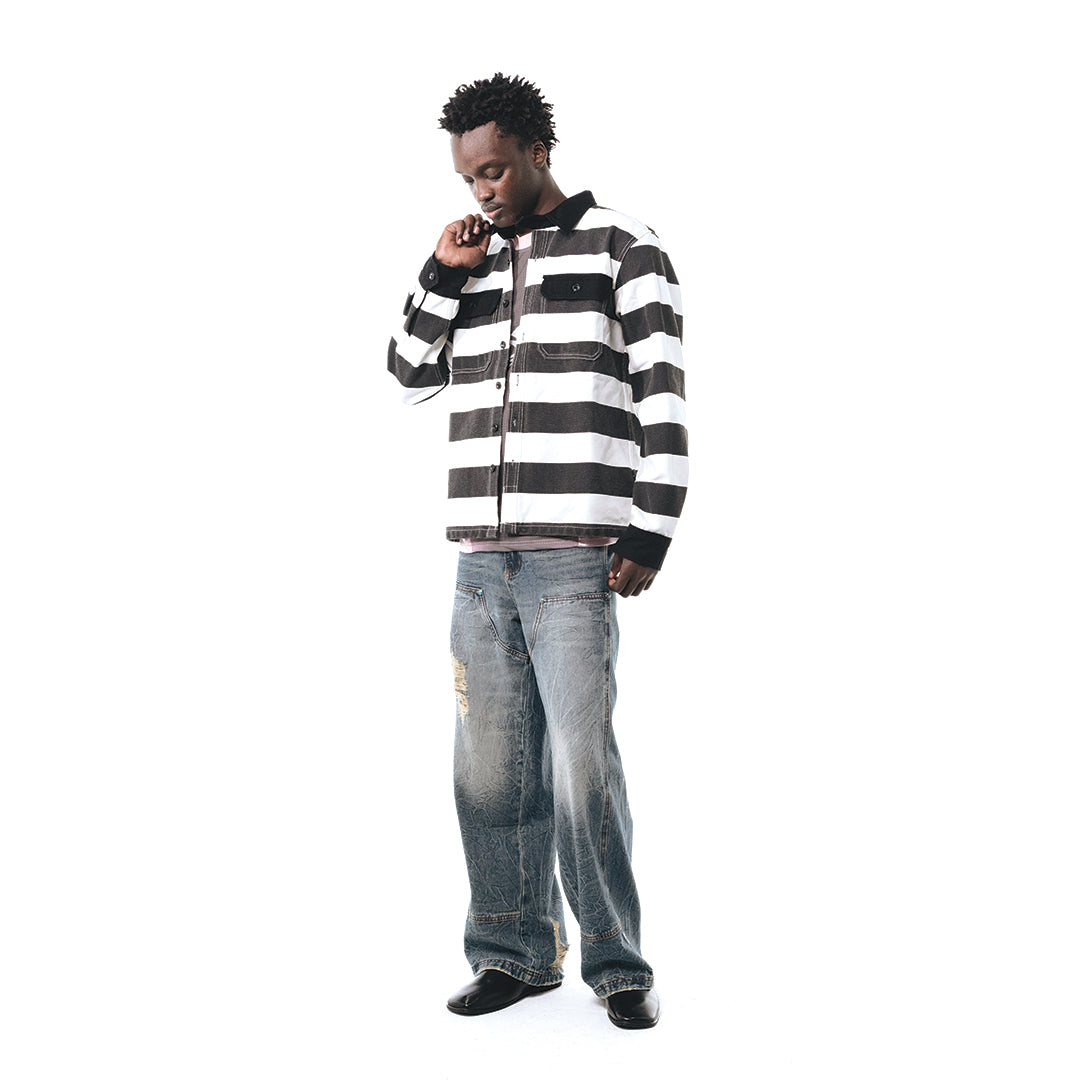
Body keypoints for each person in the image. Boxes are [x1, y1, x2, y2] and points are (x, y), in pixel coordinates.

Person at [387, 73, 687, 1030]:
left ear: (537, 151)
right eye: (467, 177)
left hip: (574, 561)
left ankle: (617, 964)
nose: (482, 191)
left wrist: (651, 526)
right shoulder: (468, 261)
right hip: (479, 564)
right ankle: (514, 953)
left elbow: (663, 397)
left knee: (581, 766)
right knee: (489, 770)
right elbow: (406, 373)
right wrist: (444, 270)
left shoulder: (624, 247)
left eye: (494, 170)